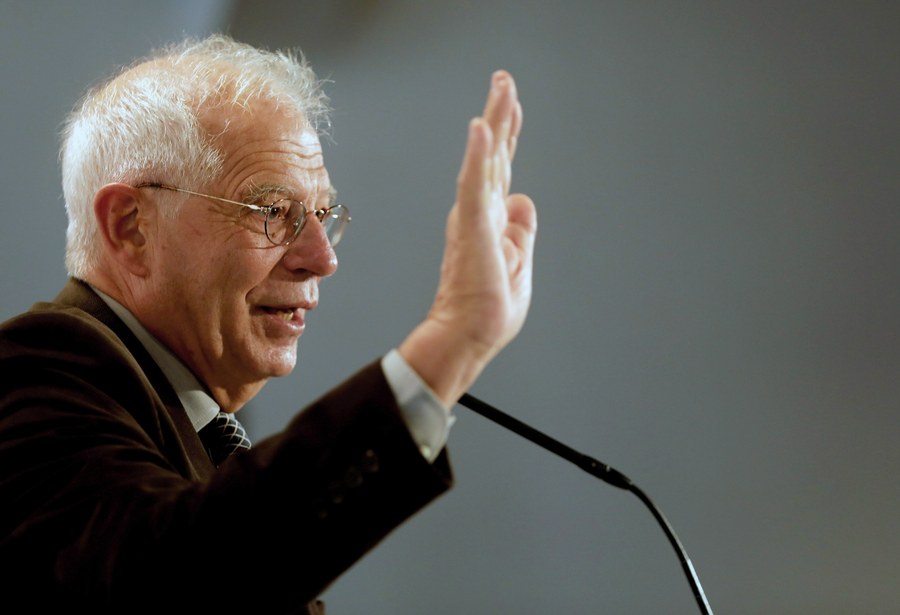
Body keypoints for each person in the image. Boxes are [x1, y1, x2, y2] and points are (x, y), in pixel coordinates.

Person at [0, 34, 536, 613]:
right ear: (131, 227)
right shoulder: (29, 375)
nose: (322, 258)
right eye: (273, 212)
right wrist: (449, 346)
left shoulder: (185, 423)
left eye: (322, 215)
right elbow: (175, 582)